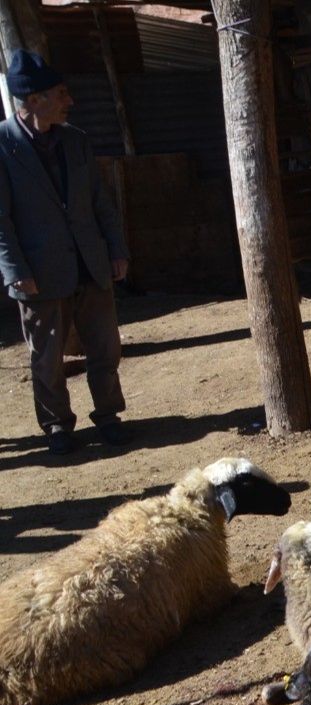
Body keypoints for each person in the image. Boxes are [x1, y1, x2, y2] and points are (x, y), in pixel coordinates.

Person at [0, 50, 131, 456]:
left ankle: (108, 416)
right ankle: (57, 426)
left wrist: (116, 248)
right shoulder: (3, 146)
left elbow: (100, 202)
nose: (69, 100)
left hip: (90, 263)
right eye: (61, 93)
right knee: (48, 358)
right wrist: (14, 270)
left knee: (105, 347)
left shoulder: (76, 141)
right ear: (34, 99)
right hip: (38, 271)